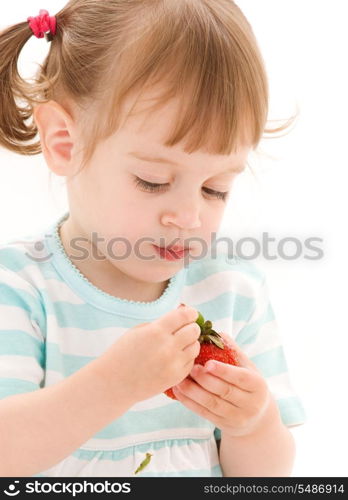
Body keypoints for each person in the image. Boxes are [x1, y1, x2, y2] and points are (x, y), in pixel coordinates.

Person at [0, 1, 306, 477]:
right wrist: (110, 385)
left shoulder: (231, 293)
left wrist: (255, 424)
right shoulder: (20, 288)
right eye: (152, 181)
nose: (187, 216)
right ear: (64, 142)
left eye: (215, 189)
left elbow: (265, 480)